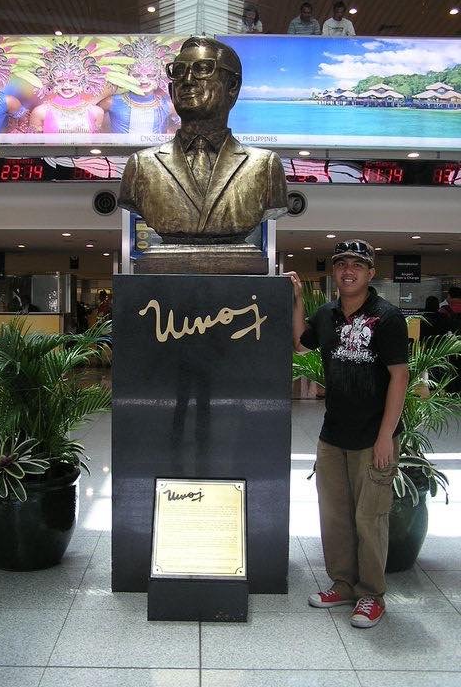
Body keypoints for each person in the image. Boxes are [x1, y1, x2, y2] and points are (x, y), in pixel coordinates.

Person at [286, 239, 409, 628]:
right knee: (335, 515)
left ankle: (371, 594)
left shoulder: (387, 317)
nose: (348, 271)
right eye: (341, 265)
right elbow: (301, 343)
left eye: (357, 264)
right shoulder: (327, 314)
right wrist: (297, 300)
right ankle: (342, 584)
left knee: (370, 518)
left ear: (371, 273)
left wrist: (386, 434)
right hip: (332, 435)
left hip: (374, 437)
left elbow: (399, 377)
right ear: (334, 272)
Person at [119, 36, 287, 242]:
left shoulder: (265, 166)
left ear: (232, 86)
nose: (187, 80)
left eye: (203, 69)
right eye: (179, 71)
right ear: (171, 91)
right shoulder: (141, 165)